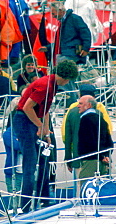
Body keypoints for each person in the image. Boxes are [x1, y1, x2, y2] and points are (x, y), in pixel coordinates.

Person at [13, 59, 80, 212]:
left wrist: (46, 132)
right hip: (24, 120)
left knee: (45, 160)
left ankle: (44, 200)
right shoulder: (44, 85)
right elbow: (27, 107)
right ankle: (25, 206)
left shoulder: (53, 85)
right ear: (66, 77)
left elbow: (46, 109)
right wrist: (40, 126)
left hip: (34, 120)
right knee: (30, 164)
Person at [63, 84, 95, 195]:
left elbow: (66, 137)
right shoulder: (99, 110)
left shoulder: (71, 111)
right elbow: (107, 133)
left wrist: (68, 158)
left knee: (79, 187)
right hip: (96, 158)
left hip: (77, 157)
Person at [76, 94, 113, 178]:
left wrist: (100, 156)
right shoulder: (100, 118)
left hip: (90, 160)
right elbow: (108, 140)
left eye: (81, 104)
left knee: (87, 186)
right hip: (102, 160)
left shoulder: (86, 120)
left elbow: (90, 142)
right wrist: (106, 155)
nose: (78, 106)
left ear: (89, 105)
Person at [52, 0, 92, 65]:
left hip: (72, 54)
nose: (53, 16)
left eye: (53, 14)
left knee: (62, 71)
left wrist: (86, 49)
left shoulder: (74, 19)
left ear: (60, 10)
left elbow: (86, 34)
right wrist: (47, 47)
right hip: (65, 53)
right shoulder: (62, 22)